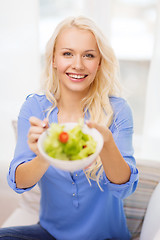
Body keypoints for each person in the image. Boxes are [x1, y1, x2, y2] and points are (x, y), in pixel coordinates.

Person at [0, 16, 139, 240]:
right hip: (51, 234)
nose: (77, 64)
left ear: (100, 62)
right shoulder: (35, 106)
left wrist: (107, 143)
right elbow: (18, 183)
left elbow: (124, 189)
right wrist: (45, 153)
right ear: (54, 59)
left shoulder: (118, 110)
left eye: (89, 55)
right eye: (67, 53)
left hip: (106, 237)